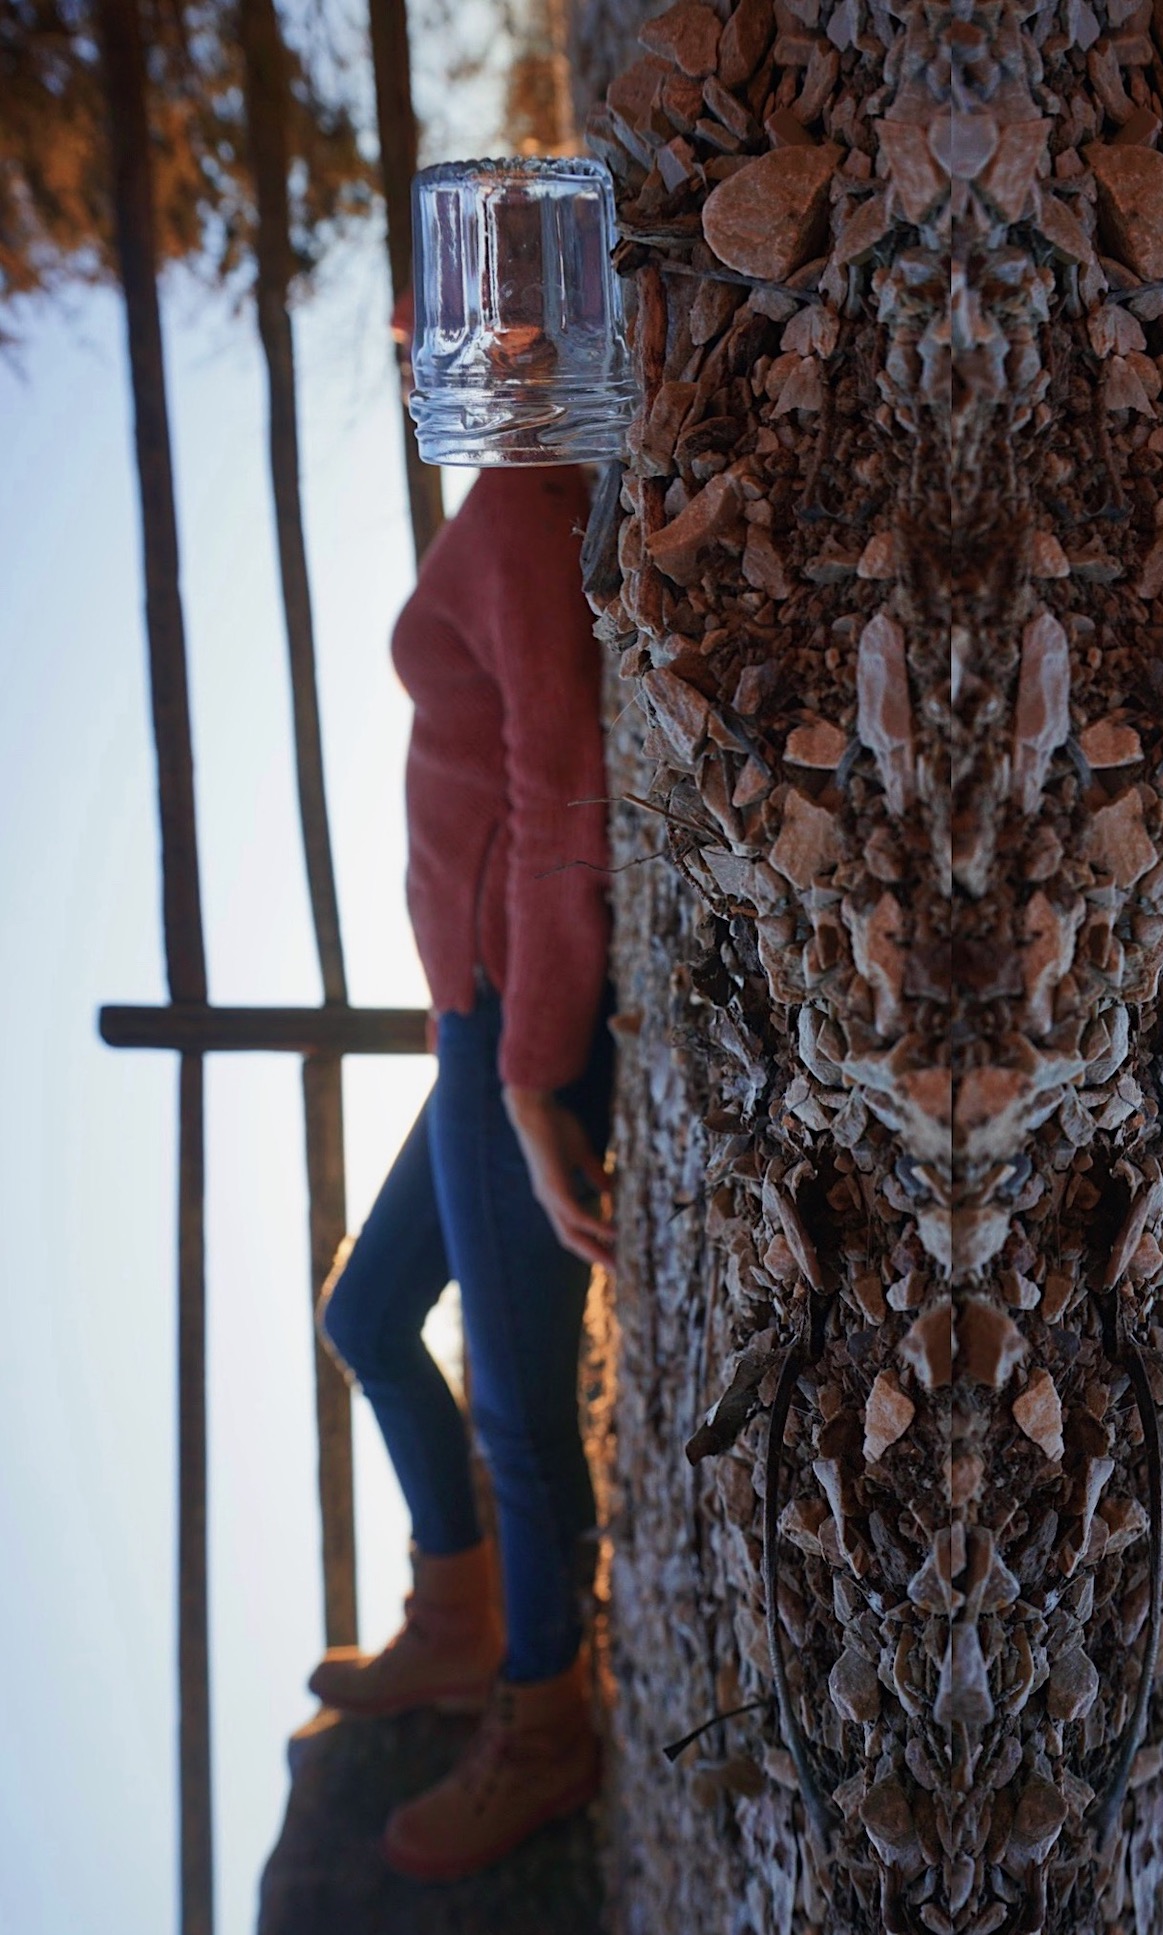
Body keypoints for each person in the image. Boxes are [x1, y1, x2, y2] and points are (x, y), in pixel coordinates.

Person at [310, 382, 614, 1880]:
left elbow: (564, 807)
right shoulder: (521, 496)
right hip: (478, 1013)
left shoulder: (529, 509)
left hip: (519, 1025)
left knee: (517, 1404)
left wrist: (538, 1075)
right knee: (369, 1317)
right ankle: (459, 1614)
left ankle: (545, 1717)